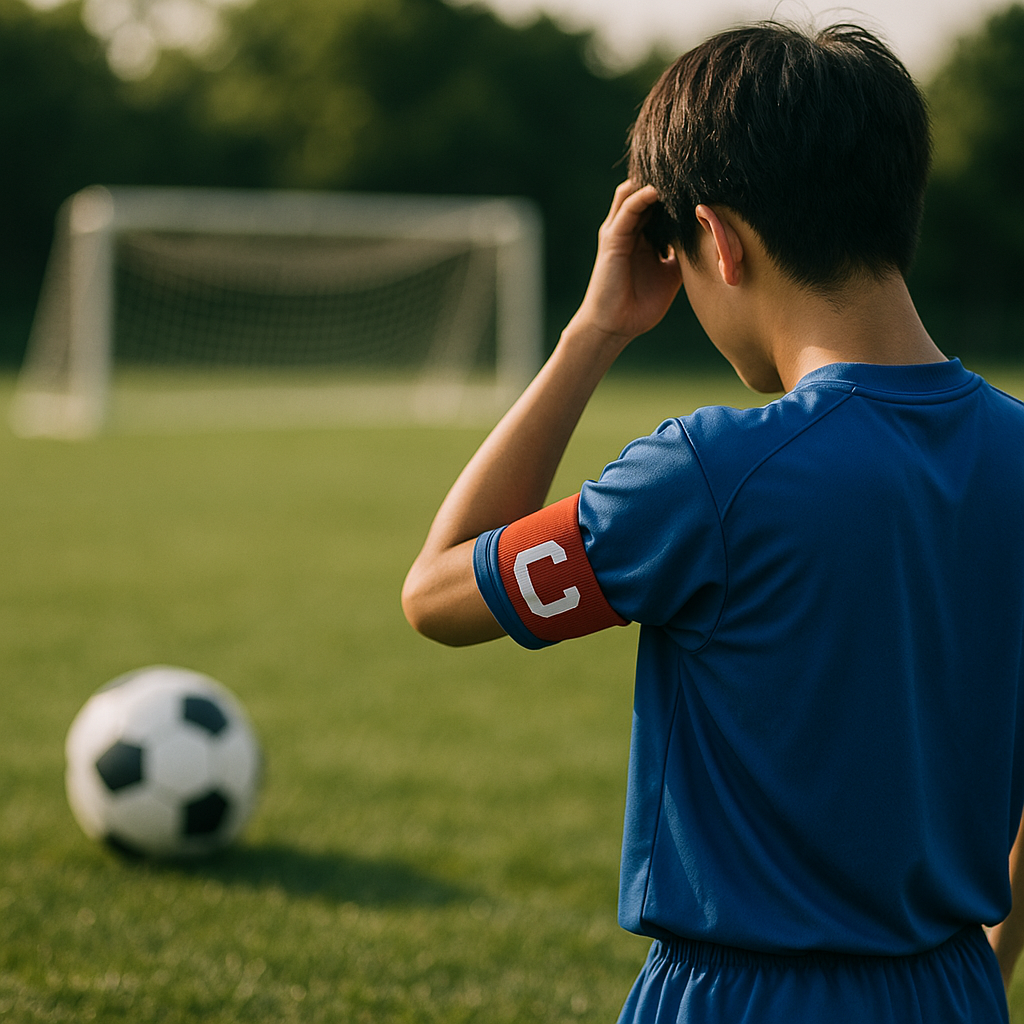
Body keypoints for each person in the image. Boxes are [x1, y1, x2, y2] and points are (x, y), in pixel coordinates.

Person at [402, 21, 1024, 1023]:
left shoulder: (712, 473)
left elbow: (435, 592)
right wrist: (987, 962)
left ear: (719, 243)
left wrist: (591, 332)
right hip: (949, 985)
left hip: (739, 995)